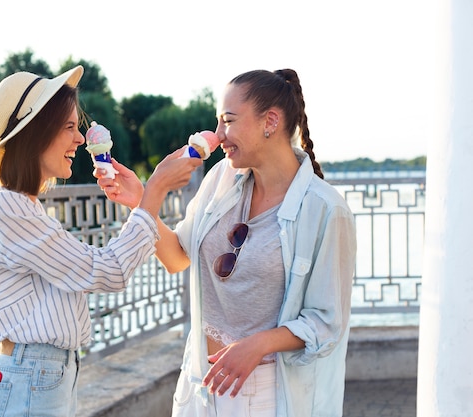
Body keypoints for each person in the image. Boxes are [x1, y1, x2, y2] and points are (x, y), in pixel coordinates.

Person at [96, 69, 357, 416]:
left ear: (271, 122)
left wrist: (258, 344)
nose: (218, 136)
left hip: (265, 393)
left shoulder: (325, 209)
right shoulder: (221, 178)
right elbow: (177, 258)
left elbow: (326, 323)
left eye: (228, 121)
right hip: (198, 382)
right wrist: (142, 201)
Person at [0, 65, 202, 417]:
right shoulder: (8, 208)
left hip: (37, 375)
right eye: (67, 127)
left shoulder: (20, 205)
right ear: (34, 133)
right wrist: (155, 189)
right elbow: (107, 271)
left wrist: (141, 198)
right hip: (29, 377)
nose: (79, 139)